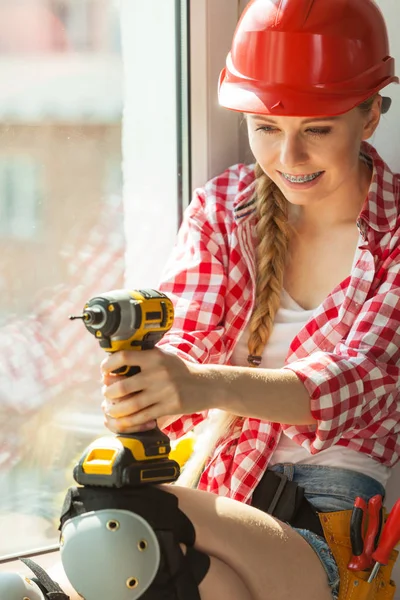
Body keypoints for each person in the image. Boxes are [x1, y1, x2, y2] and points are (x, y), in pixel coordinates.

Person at [12, 0, 400, 599]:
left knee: (118, 518)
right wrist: (147, 384)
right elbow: (182, 335)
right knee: (167, 573)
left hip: (326, 539)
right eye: (267, 128)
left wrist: (197, 384)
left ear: (371, 112)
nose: (288, 159)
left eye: (316, 129)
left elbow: (352, 381)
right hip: (220, 495)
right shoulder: (224, 210)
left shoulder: (395, 234)